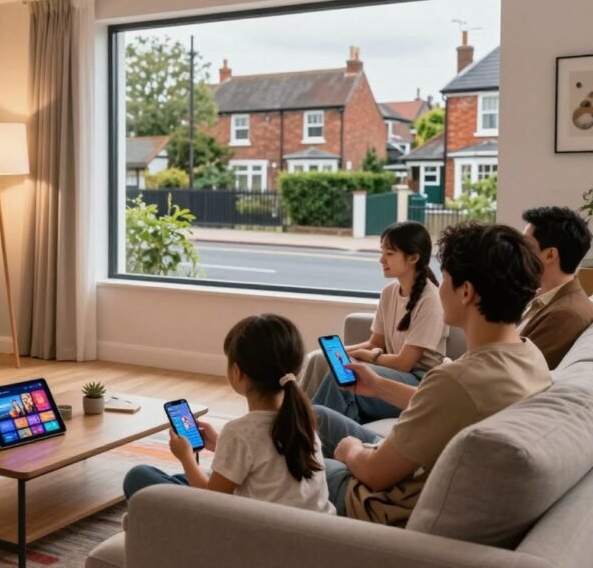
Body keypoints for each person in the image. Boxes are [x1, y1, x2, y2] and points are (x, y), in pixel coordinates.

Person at [319, 222, 550, 526]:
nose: (439, 286)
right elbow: (453, 404)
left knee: (280, 460)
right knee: (314, 416)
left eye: (446, 278)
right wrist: (379, 387)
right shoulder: (528, 355)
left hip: (380, 500)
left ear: (466, 292)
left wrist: (350, 451)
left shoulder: (457, 379)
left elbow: (374, 473)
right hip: (413, 464)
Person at [123, 314, 334, 515]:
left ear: (237, 372)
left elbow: (211, 502)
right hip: (311, 528)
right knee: (185, 479)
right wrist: (219, 446)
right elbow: (269, 465)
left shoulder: (239, 432)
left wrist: (186, 457)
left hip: (247, 532)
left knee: (139, 477)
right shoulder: (301, 419)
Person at [309, 222, 448, 423]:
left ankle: (307, 435)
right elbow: (375, 343)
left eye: (389, 254)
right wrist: (341, 351)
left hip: (417, 381)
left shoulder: (430, 300)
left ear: (413, 258)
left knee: (341, 376)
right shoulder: (389, 292)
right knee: (319, 359)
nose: (381, 259)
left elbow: (404, 363)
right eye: (382, 252)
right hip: (394, 371)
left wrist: (363, 355)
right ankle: (294, 421)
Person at [519, 207, 593, 369]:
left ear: (550, 255)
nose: (518, 252)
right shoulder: (542, 297)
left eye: (526, 245)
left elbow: (519, 372)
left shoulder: (566, 315)